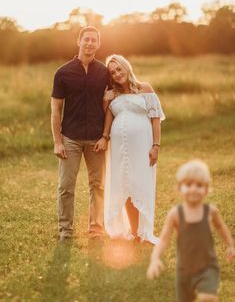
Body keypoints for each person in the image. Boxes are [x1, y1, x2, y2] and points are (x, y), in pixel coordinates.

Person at [51, 26, 111, 242]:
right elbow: (56, 110)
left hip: (97, 139)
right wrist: (58, 141)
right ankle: (65, 230)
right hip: (70, 138)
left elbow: (110, 106)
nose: (90, 44)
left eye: (94, 40)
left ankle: (96, 229)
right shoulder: (63, 72)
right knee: (66, 186)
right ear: (79, 41)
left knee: (98, 185)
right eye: (86, 39)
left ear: (98, 44)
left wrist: (105, 136)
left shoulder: (105, 72)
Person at [97, 54, 165, 244]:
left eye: (119, 69)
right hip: (119, 147)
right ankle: (134, 231)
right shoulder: (113, 94)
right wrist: (105, 101)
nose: (117, 74)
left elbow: (155, 118)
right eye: (113, 72)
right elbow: (107, 120)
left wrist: (156, 146)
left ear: (127, 67)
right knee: (123, 184)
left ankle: (145, 230)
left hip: (142, 145)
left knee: (140, 182)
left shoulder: (145, 88)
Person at [147, 160, 235, 302]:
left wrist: (230, 245)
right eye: (188, 185)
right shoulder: (175, 214)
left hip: (207, 267)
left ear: (206, 189)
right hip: (184, 271)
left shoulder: (210, 211)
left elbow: (221, 227)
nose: (193, 189)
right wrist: (155, 258)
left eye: (199, 185)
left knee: (208, 297)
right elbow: (164, 239)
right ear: (179, 188)